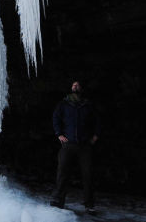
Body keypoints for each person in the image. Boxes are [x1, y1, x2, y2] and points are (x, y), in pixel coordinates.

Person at [50, 80, 100, 212]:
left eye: (77, 84)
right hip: (68, 144)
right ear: (70, 88)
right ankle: (58, 200)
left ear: (81, 88)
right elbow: (56, 118)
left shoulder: (88, 105)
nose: (75, 86)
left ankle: (89, 204)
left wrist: (95, 136)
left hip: (85, 145)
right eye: (73, 84)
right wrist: (59, 134)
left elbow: (97, 120)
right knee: (62, 172)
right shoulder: (64, 104)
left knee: (88, 174)